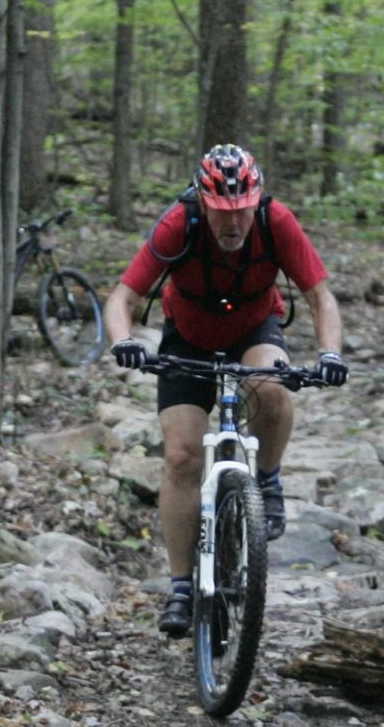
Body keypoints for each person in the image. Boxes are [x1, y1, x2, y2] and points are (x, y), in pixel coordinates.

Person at [103, 144, 348, 638]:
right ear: (204, 202)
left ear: (255, 201)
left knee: (270, 385)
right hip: (186, 339)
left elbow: (320, 295)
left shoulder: (276, 221)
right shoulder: (180, 223)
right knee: (181, 457)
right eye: (221, 212)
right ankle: (180, 586)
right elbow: (122, 298)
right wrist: (124, 342)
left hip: (255, 329)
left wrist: (330, 353)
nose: (232, 222)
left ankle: (269, 481)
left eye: (241, 210)